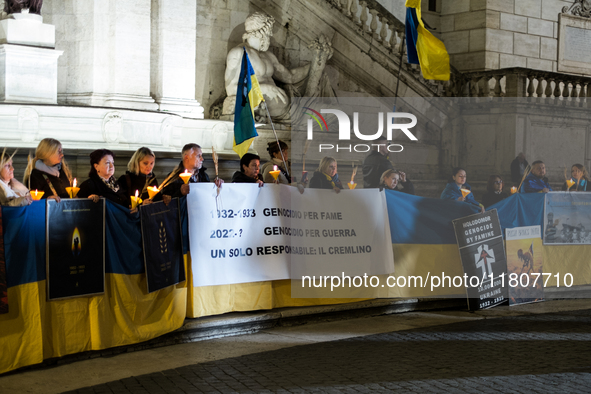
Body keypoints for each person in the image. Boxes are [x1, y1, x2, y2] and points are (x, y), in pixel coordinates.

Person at [224, 13, 311, 121]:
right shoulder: (238, 53)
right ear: (263, 32)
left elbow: (290, 77)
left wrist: (314, 65)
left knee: (321, 113)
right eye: (269, 33)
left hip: (285, 111)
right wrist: (264, 88)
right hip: (259, 111)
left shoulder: (269, 56)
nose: (270, 36)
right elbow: (231, 89)